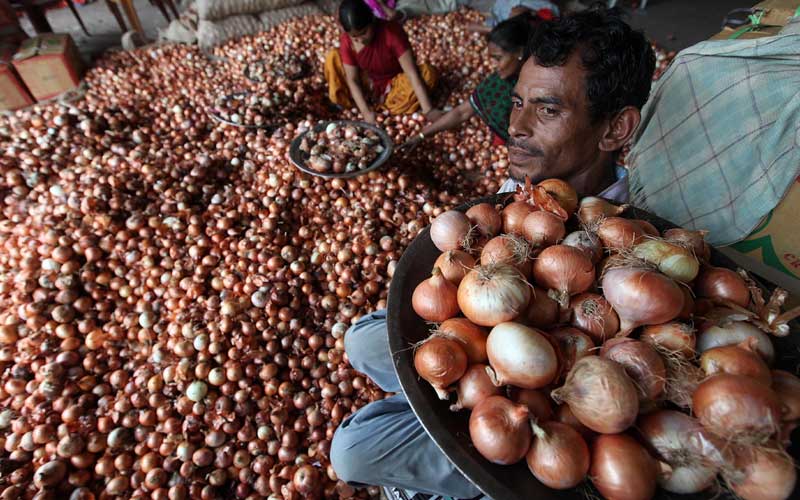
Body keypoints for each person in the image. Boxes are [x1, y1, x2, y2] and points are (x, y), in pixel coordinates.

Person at [330, 8, 655, 500]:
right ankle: (446, 399)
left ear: (615, 130)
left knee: (351, 452)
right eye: (519, 101)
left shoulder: (628, 241)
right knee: (361, 340)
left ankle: (469, 452)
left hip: (533, 411)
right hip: (473, 357)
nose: (515, 125)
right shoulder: (519, 191)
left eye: (547, 109)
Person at [401, 13, 539, 151]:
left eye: (498, 58)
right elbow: (462, 112)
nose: (493, 65)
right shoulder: (497, 83)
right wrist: (421, 135)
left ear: (519, 52)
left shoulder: (544, 82)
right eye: (491, 58)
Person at [324, 0, 442, 123]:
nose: (360, 40)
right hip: (369, 84)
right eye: (355, 37)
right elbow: (352, 80)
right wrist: (366, 112)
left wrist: (428, 110)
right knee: (333, 58)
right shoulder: (347, 41)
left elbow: (411, 73)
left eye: (364, 33)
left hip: (394, 85)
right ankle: (357, 104)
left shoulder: (391, 32)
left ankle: (386, 107)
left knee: (428, 74)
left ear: (372, 20)